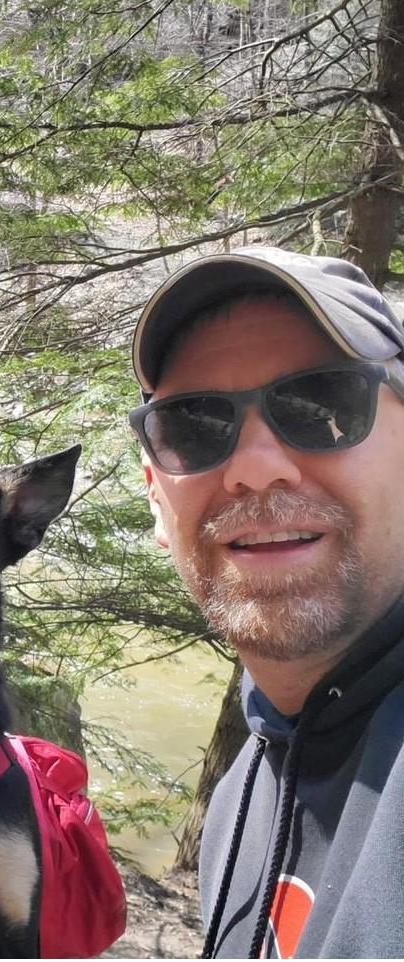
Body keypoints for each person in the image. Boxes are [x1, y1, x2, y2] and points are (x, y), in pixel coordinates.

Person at [130, 246, 404, 958]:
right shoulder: (239, 798)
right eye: (193, 425)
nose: (254, 468)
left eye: (326, 406)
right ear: (156, 500)